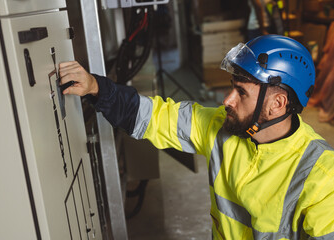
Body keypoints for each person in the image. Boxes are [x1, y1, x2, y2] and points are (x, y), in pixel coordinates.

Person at [59, 35, 334, 239]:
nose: (227, 100)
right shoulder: (221, 128)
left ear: (278, 103)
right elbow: (152, 117)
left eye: (242, 92)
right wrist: (96, 88)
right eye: (231, 88)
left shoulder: (321, 176)